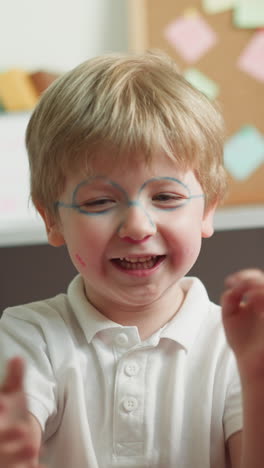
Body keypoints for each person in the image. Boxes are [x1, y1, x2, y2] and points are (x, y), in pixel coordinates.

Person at [0, 50, 263, 468]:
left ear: (208, 209)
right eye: (101, 201)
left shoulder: (235, 348)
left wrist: (256, 375)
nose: (138, 226)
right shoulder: (30, 337)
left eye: (166, 197)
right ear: (52, 219)